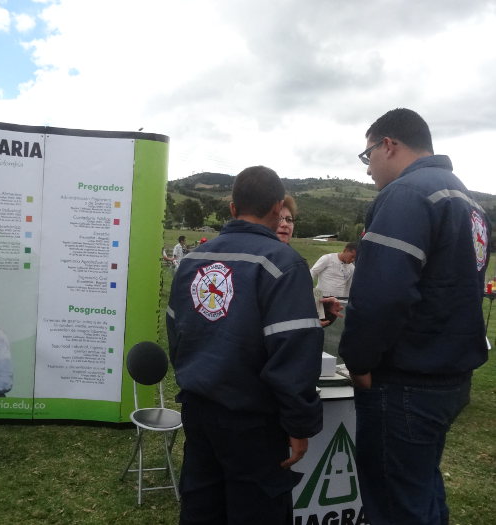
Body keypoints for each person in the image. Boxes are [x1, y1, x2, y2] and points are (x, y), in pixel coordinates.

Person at [338, 108, 491, 525]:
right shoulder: (467, 199)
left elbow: (382, 296)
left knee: (395, 504)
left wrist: (360, 361)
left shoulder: (408, 194)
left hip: (407, 383)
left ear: (389, 144)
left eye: (367, 154)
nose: (368, 168)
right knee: (421, 490)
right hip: (449, 378)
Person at [167, 166, 323, 524]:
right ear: (277, 207)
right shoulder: (282, 263)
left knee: (201, 506)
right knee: (256, 510)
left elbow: (177, 336)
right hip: (255, 422)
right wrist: (300, 426)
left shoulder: (192, 261)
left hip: (198, 411)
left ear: (233, 209)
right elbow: (294, 353)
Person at [277, 194, 342, 327]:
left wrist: (323, 309)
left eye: (289, 219)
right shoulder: (260, 263)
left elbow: (300, 302)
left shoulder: (298, 262)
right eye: (278, 219)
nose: (284, 224)